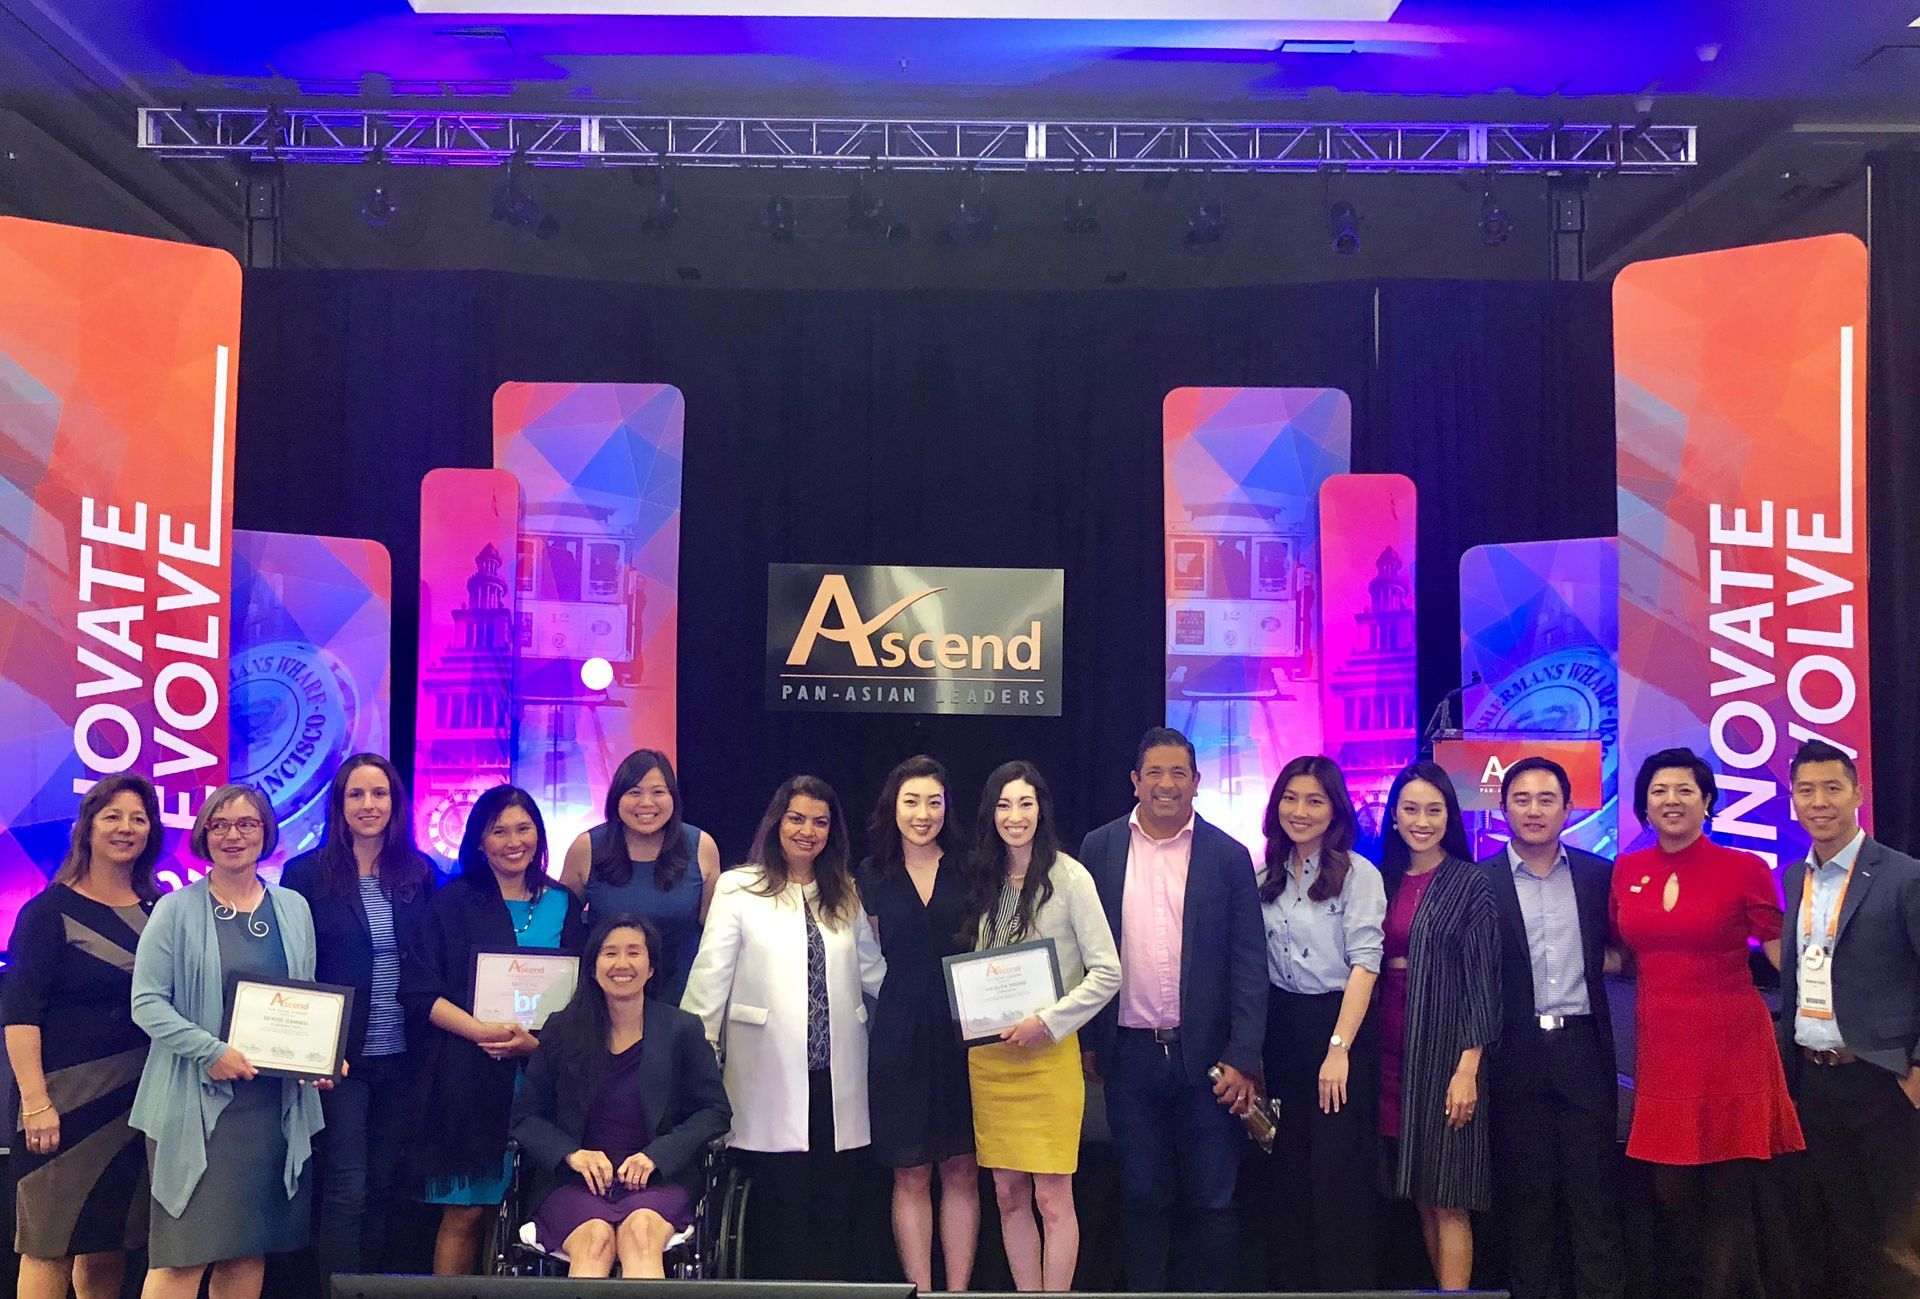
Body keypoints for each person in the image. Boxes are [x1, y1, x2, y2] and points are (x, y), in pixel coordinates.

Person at [1079, 726, 1267, 1293]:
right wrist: (1090, 1042)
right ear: (1135, 781)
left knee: (1213, 1200)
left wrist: (1243, 1056)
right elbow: (1085, 953)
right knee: (1141, 1198)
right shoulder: (1099, 848)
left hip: (1210, 1062)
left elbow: (1248, 965)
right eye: (1154, 773)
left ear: (1196, 782)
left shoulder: (1228, 857)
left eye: (1178, 773)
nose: (1166, 784)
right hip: (1129, 1058)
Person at [1611, 747, 1802, 1299]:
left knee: (1727, 1193)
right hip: (1663, 1050)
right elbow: (1618, 953)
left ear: (1708, 801)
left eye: (1685, 790)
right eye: (1658, 791)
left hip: (1731, 1045)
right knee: (1672, 1190)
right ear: (1644, 806)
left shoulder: (1745, 868)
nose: (1671, 801)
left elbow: (1779, 954)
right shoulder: (1627, 870)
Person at [680, 775, 887, 1280]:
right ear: (777, 822)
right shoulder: (738, 887)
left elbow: (875, 975)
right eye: (797, 818)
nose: (808, 831)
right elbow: (710, 982)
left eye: (820, 821)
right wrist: (694, 1067)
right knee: (777, 1211)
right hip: (765, 1076)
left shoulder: (846, 893)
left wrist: (941, 1006)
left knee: (833, 1209)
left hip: (838, 1080)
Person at [129, 785, 328, 1299]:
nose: (233, 835)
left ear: (265, 832)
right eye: (220, 825)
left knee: (246, 1250)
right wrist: (211, 1052)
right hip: (192, 1106)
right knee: (182, 1256)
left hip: (271, 1107)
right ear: (203, 834)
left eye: (246, 824)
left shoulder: (294, 908)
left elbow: (304, 1002)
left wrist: (318, 1058)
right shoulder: (174, 910)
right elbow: (146, 1003)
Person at [400, 784, 586, 1276]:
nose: (512, 840)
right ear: (478, 841)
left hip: (545, 1079)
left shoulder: (565, 904)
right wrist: (481, 1032)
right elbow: (420, 993)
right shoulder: (450, 903)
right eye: (498, 830)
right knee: (466, 1213)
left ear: (538, 834)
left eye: (523, 828)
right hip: (466, 1078)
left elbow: (584, 994)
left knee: (541, 1220)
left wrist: (538, 1046)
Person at [963, 761, 1121, 1293]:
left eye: (1025, 804)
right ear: (991, 813)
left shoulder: (1070, 877)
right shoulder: (978, 877)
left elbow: (1108, 972)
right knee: (1007, 1194)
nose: (1015, 816)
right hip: (991, 1059)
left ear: (1041, 810)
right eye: (1005, 805)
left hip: (1049, 1055)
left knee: (1053, 1197)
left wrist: (1049, 1023)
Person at [279, 754, 439, 1279]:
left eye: (379, 794)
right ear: (339, 804)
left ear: (395, 803)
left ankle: (368, 1287)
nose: (368, 805)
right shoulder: (305, 874)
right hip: (340, 1060)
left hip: (405, 1055)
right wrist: (314, 1049)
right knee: (346, 1187)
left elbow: (433, 962)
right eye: (356, 794)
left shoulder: (420, 873)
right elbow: (296, 968)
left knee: (383, 1186)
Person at [4, 775, 163, 1299]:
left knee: (108, 1245)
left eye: (138, 818)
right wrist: (35, 1103)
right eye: (112, 816)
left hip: (137, 1107)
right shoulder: (47, 912)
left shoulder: (160, 912)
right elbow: (20, 1015)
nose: (126, 828)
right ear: (87, 827)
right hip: (61, 1106)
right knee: (49, 1245)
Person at [511, 914, 732, 1278]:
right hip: (574, 1182)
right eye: (610, 953)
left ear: (651, 967)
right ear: (594, 966)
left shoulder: (682, 1029)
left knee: (641, 1234)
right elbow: (525, 1117)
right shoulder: (562, 1028)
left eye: (634, 952)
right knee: (595, 1239)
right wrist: (571, 1155)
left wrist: (656, 1156)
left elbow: (714, 1111)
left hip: (658, 1181)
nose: (622, 963)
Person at [1777, 738, 1920, 1299]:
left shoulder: (1904, 877)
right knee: (1838, 1237)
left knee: (1898, 1245)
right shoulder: (1796, 878)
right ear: (1792, 800)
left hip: (1884, 1082)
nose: (1819, 802)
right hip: (1815, 1082)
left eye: (1832, 788)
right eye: (1806, 790)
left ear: (1858, 793)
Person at [1478, 756, 1624, 1299]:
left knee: (1595, 1204)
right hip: (1512, 1053)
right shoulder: (1479, 881)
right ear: (1503, 807)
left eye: (1546, 799)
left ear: (1567, 807)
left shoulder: (1597, 875)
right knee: (1527, 1208)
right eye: (1521, 799)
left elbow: (1621, 950)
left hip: (1582, 1048)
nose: (1534, 810)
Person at [1253, 755, 1386, 1291]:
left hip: (1340, 1031)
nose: (1300, 811)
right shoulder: (1263, 877)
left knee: (1336, 1178)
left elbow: (1365, 965)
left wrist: (1339, 1048)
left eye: (1314, 800)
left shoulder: (1359, 875)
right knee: (1286, 1173)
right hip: (1281, 1030)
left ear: (1335, 810)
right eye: (1290, 798)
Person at [854, 755, 981, 1292]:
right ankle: (920, 1293)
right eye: (912, 802)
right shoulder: (871, 873)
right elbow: (862, 958)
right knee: (910, 1172)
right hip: (899, 1032)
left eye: (934, 801)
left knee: (962, 1168)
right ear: (894, 807)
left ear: (947, 807)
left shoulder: (973, 865)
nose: (923, 813)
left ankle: (957, 1294)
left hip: (964, 1031)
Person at [1378, 761, 1500, 1292]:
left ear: (1450, 816)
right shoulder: (1376, 877)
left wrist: (1468, 1068)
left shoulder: (1470, 883)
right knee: (1424, 1198)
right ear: (1394, 816)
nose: (1421, 820)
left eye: (1433, 809)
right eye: (1410, 809)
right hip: (1387, 1056)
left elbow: (1483, 982)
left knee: (1450, 1198)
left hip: (1446, 1057)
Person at [559, 749, 721, 1006]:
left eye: (658, 792)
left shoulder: (702, 846)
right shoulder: (586, 848)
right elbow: (563, 929)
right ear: (616, 798)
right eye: (634, 792)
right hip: (605, 1002)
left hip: (683, 1002)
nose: (646, 803)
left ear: (673, 798)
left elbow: (715, 933)